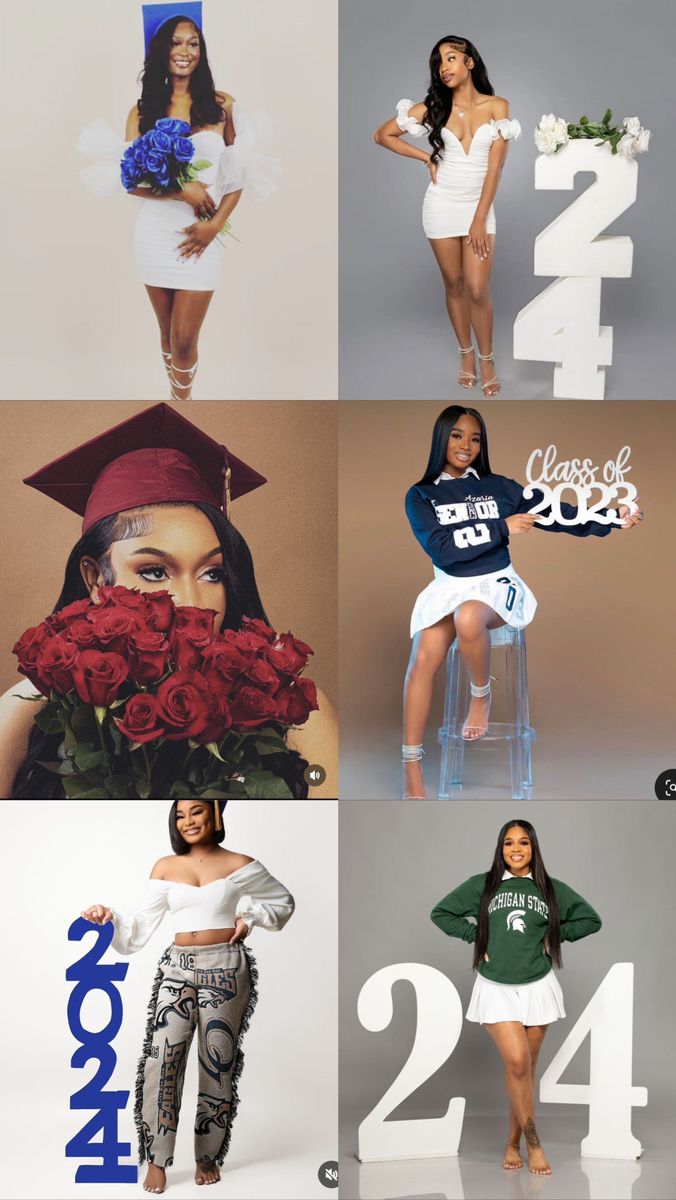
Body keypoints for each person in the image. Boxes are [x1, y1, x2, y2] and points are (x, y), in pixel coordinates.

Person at [1, 403, 336, 798]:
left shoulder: (292, 713)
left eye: (212, 573)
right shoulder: (27, 712)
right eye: (154, 572)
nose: (192, 602)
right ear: (94, 578)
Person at [402, 406, 644, 799]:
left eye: (475, 438)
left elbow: (558, 514)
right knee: (422, 660)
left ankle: (481, 695)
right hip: (449, 583)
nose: (466, 445)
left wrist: (613, 517)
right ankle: (411, 766)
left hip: (495, 583)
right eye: (458, 435)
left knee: (468, 618)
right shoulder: (421, 496)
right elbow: (443, 550)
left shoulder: (500, 487)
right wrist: (502, 526)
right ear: (441, 438)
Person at [81, 798, 295, 1193]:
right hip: (177, 967)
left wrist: (250, 919)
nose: (187, 821)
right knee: (163, 1057)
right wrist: (109, 916)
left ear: (215, 814)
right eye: (179, 815)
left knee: (218, 1063)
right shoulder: (166, 866)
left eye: (196, 811)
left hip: (226, 968)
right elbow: (141, 924)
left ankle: (207, 1156)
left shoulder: (238, 863)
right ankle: (157, 1157)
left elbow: (283, 902)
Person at [79, 2, 278, 399]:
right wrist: (180, 189)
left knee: (185, 340)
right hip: (154, 234)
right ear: (161, 52)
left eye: (193, 43)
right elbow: (129, 180)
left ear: (201, 52)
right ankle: (174, 399)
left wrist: (214, 225)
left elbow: (240, 172)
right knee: (167, 336)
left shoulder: (222, 105)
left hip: (202, 235)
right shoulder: (141, 112)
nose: (185, 50)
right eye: (176, 43)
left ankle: (184, 405)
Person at [431, 819, 602, 1175]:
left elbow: (590, 920)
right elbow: (441, 913)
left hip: (537, 987)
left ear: (533, 848)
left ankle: (512, 1144)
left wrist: (553, 936)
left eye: (523, 842)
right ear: (500, 849)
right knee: (518, 1064)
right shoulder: (485, 885)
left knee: (524, 1072)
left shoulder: (550, 890)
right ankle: (535, 1144)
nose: (516, 849)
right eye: (508, 843)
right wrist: (475, 938)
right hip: (496, 987)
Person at [374, 35, 521, 395]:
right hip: (440, 206)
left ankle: (487, 359)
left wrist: (478, 218)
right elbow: (382, 135)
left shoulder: (498, 107)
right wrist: (426, 158)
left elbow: (496, 169)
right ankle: (466, 355)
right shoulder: (432, 108)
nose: (444, 66)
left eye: (451, 57)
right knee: (454, 284)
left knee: (477, 288)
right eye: (439, 62)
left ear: (470, 62)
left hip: (478, 207)